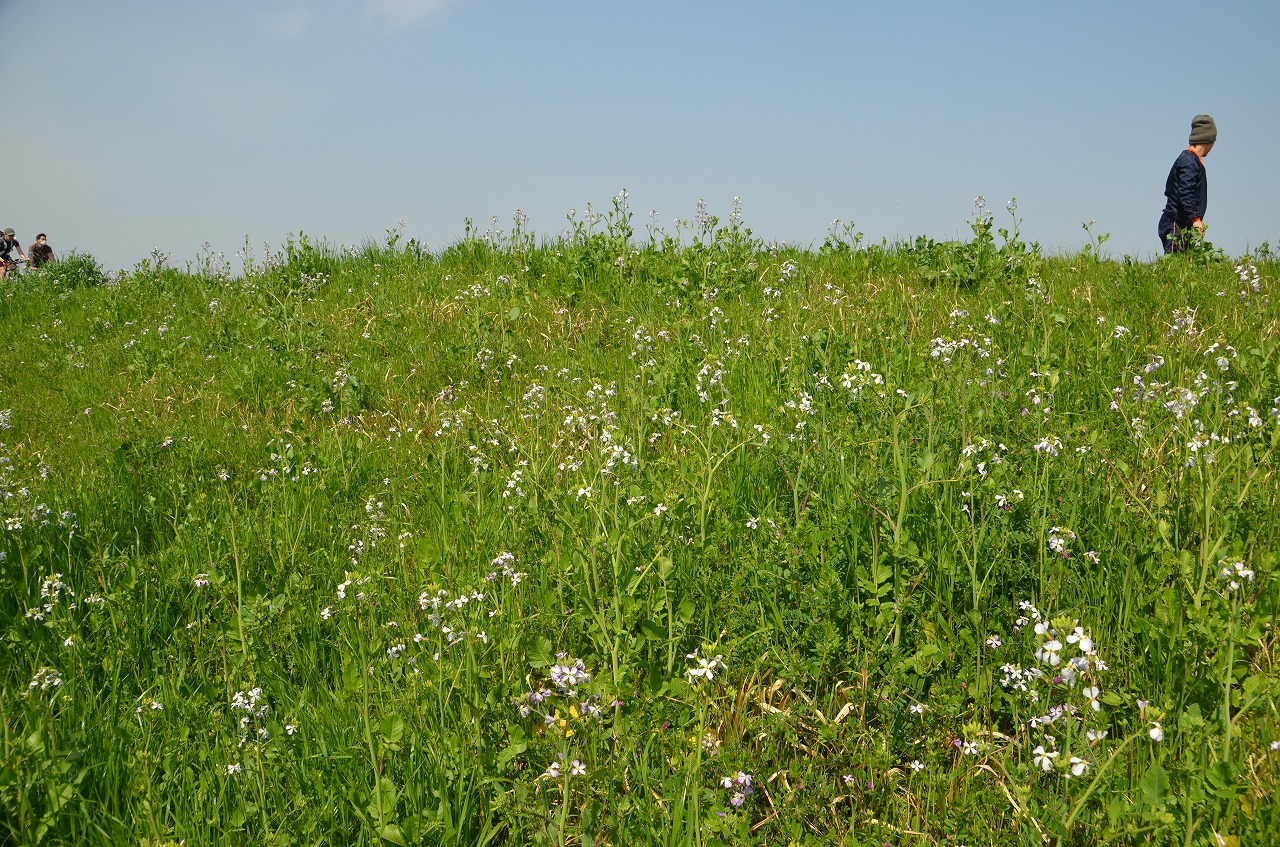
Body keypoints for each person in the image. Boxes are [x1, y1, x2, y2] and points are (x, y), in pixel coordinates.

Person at [1158, 114, 1216, 254]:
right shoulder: (1189, 161)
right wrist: (1195, 219)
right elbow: (1186, 192)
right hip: (1176, 224)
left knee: (1184, 264)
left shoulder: (1192, 160)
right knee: (1174, 263)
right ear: (1209, 140)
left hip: (1183, 223)